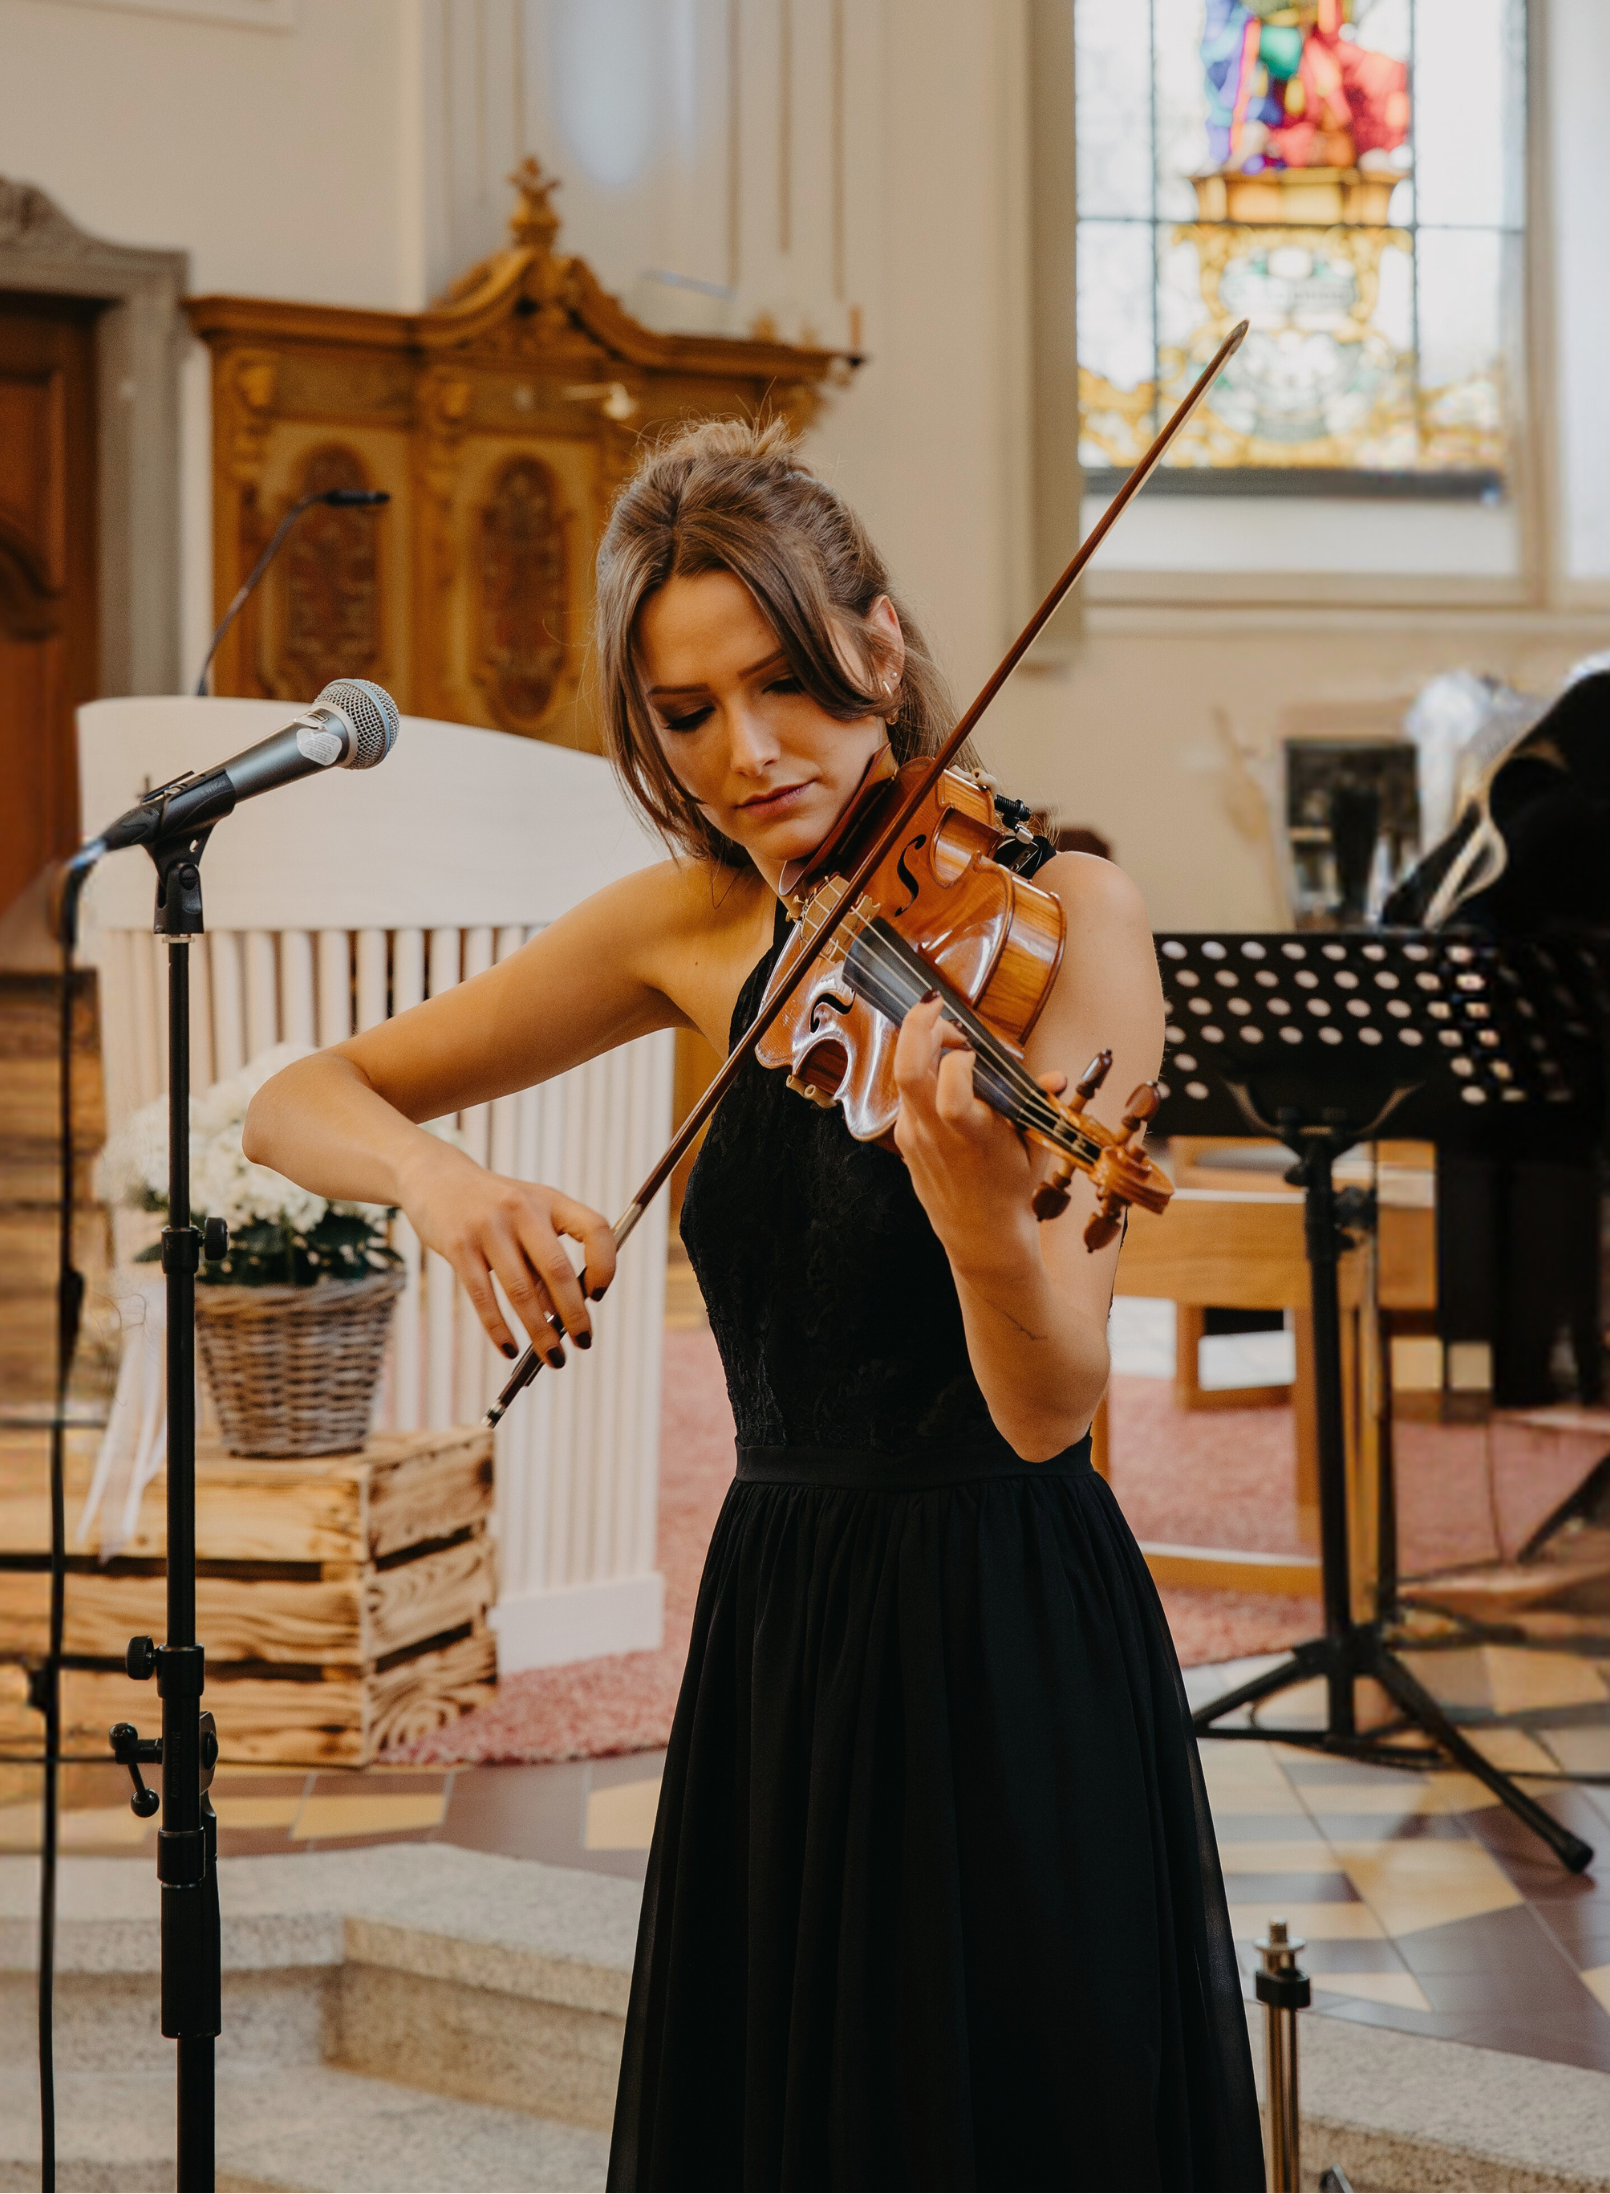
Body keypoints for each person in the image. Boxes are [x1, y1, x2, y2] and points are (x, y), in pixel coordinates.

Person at [244, 419, 1264, 2192]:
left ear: (880, 643)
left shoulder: (1064, 916)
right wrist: (445, 1182)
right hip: (782, 1615)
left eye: (784, 681)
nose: (749, 750)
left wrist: (976, 1214)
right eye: (688, 711)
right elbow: (294, 1096)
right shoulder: (695, 926)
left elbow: (1047, 1404)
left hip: (1002, 1618)